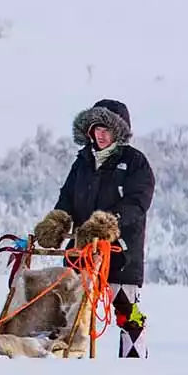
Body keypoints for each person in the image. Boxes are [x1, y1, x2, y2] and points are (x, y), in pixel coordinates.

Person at [37, 99, 155, 357]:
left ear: (118, 132)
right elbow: (67, 197)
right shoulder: (82, 161)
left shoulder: (135, 162)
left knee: (127, 313)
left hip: (121, 252)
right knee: (69, 306)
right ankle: (66, 356)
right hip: (81, 251)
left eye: (106, 130)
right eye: (95, 129)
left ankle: (133, 366)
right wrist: (57, 221)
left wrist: (106, 224)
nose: (100, 135)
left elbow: (138, 202)